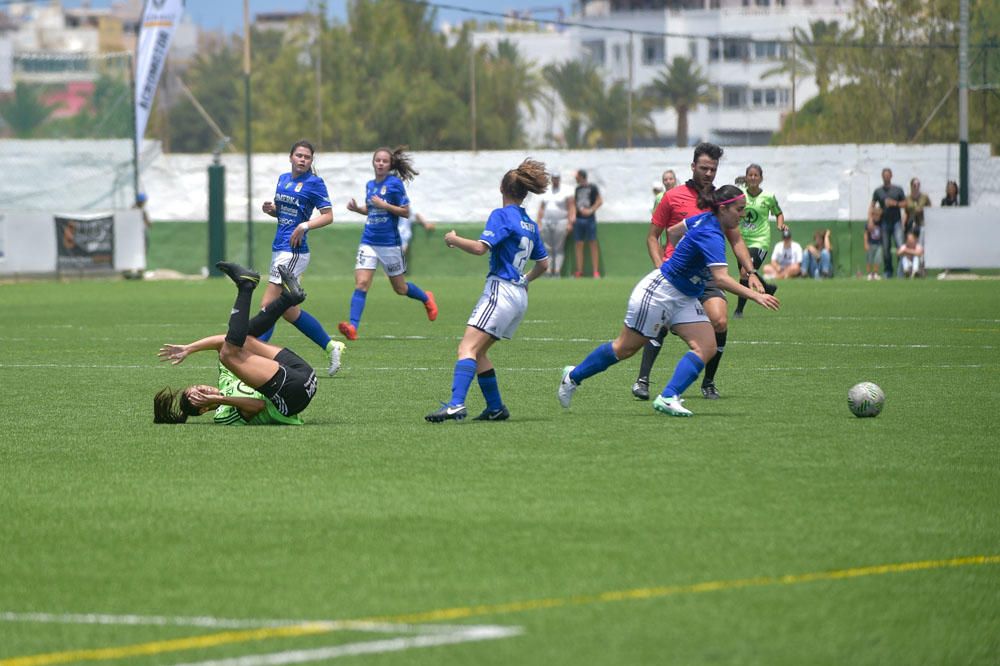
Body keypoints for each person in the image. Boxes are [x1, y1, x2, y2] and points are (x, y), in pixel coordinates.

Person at [557, 185, 780, 417]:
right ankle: (573, 376)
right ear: (723, 209)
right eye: (739, 209)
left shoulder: (703, 219)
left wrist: (682, 257)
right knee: (624, 348)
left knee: (707, 346)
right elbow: (721, 279)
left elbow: (673, 232)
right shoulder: (711, 233)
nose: (743, 214)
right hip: (660, 292)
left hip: (685, 295)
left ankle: (668, 396)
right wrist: (756, 295)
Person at [631, 142, 763, 402]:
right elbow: (653, 237)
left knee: (721, 321)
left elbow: (736, 240)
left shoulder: (721, 201)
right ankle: (643, 379)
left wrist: (751, 271)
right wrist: (661, 268)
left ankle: (709, 382)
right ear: (693, 167)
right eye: (704, 168)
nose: (709, 174)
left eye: (713, 169)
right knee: (661, 322)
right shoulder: (672, 197)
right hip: (676, 274)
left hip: (709, 276)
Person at [425, 159, 550, 423]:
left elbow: (482, 248)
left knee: (466, 348)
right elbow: (544, 264)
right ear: (525, 192)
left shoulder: (502, 215)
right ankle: (495, 408)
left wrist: (453, 239)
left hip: (501, 291)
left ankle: (456, 404)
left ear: (502, 188)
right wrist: (526, 279)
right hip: (518, 296)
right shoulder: (529, 223)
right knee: (479, 351)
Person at [154, 262, 318, 425]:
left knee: (240, 339)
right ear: (203, 409)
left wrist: (189, 348)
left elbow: (223, 341)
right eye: (199, 395)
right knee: (228, 353)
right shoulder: (222, 415)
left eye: (198, 387)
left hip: (304, 373)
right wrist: (219, 399)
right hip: (292, 397)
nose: (204, 389)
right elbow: (257, 406)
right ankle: (246, 286)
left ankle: (288, 298)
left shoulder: (226, 379)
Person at [259, 140, 345, 376]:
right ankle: (331, 346)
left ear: (311, 161)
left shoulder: (315, 183)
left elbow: (328, 216)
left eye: (307, 157)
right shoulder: (283, 179)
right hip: (279, 247)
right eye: (299, 155)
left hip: (293, 251)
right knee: (288, 311)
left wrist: (305, 226)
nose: (303, 159)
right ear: (291, 157)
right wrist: (273, 211)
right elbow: (286, 213)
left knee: (268, 306)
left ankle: (254, 357)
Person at [341, 147, 437, 340]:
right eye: (378, 160)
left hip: (389, 244)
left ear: (390, 164)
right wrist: (356, 209)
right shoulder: (370, 185)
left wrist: (385, 205)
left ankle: (426, 298)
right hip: (368, 241)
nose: (381, 164)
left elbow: (406, 212)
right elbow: (370, 209)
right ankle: (353, 327)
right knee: (361, 283)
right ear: (373, 162)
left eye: (385, 161)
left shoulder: (394, 184)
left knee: (400, 289)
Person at [733, 163, 784, 318]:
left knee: (744, 272)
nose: (753, 178)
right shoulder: (740, 195)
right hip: (741, 240)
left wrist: (780, 225)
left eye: (756, 175)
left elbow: (778, 213)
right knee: (746, 273)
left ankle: (739, 310)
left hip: (760, 240)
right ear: (746, 177)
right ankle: (767, 287)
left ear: (761, 178)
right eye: (750, 175)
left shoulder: (768, 197)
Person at [536, 170, 575, 277]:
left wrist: (570, 222)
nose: (555, 180)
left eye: (557, 178)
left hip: (561, 221)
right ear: (551, 179)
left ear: (559, 179)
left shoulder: (566, 191)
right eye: (554, 178)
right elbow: (542, 208)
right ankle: (548, 271)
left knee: (558, 247)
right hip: (546, 222)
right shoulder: (547, 191)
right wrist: (539, 222)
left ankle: (557, 270)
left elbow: (571, 207)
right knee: (547, 247)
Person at [870, 168, 907, 278]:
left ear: (891, 176)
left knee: (901, 247)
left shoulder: (898, 189)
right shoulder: (878, 191)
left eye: (888, 175)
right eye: (884, 175)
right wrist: (871, 219)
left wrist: (894, 203)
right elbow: (872, 206)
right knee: (886, 249)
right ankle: (888, 271)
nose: (886, 177)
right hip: (884, 223)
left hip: (896, 222)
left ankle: (901, 271)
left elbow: (905, 204)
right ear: (882, 177)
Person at [572, 169, 603, 278]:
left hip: (590, 219)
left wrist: (591, 210)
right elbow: (575, 203)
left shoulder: (592, 187)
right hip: (579, 219)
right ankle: (579, 271)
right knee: (578, 244)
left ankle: (595, 271)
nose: (575, 178)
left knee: (592, 243)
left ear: (581, 176)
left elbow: (599, 201)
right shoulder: (577, 189)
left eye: (576, 176)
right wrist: (574, 215)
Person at [864, 212, 884, 281]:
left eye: (878, 215)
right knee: (869, 259)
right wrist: (866, 243)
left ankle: (875, 274)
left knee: (877, 259)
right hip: (870, 244)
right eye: (875, 215)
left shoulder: (881, 222)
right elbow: (866, 233)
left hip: (879, 244)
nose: (877, 217)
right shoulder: (869, 223)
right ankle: (869, 274)